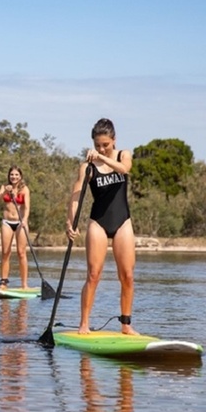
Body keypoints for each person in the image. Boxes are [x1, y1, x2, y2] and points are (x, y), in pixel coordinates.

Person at [66, 118, 139, 335]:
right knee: (93, 275)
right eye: (97, 145)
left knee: (127, 275)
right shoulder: (87, 167)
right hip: (98, 222)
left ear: (114, 140)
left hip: (123, 222)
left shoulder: (124, 155)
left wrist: (103, 157)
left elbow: (124, 170)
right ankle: (84, 324)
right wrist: (70, 222)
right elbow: (76, 197)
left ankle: (126, 325)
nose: (101, 148)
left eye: (105, 144)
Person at [0, 166, 31, 290]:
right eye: (12, 175)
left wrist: (25, 219)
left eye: (16, 175)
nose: (14, 177)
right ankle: (3, 282)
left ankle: (24, 284)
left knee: (21, 253)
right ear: (9, 176)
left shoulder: (24, 189)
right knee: (5, 252)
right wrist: (5, 192)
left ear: (20, 176)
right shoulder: (4, 187)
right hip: (7, 223)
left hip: (21, 223)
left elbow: (27, 207)